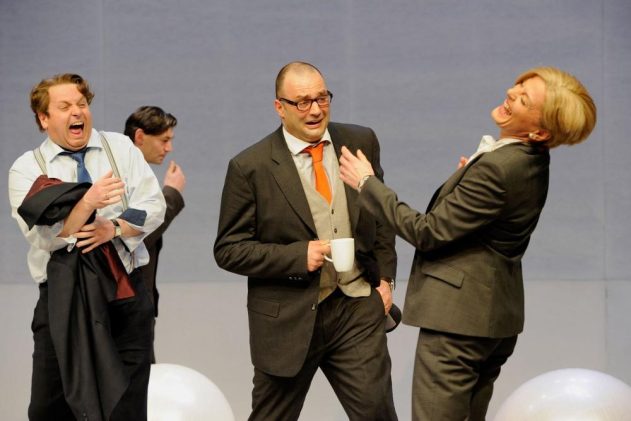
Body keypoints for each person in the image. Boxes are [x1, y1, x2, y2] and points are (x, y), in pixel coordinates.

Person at [339, 66, 597, 420]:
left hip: (458, 323)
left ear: (539, 131)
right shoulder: (531, 161)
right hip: (492, 318)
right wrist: (467, 180)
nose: (511, 93)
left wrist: (366, 183)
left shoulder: (500, 168)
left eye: (524, 99)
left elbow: (426, 232)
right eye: (519, 86)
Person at [214, 61, 398, 420]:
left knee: (377, 413)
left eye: (322, 98)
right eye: (302, 102)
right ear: (279, 107)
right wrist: (298, 256)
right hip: (288, 316)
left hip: (356, 306)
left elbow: (381, 215)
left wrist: (385, 281)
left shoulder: (360, 141)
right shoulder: (250, 166)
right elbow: (228, 249)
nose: (315, 110)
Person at [9, 73, 166, 420]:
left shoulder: (119, 148)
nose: (77, 112)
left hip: (125, 292)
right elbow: (44, 237)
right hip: (63, 300)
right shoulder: (26, 169)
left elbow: (153, 205)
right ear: (44, 118)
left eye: (82, 104)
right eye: (65, 106)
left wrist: (114, 227)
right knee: (50, 407)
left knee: (126, 406)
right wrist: (87, 202)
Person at [124, 106, 186, 361]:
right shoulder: (124, 176)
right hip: (127, 303)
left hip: (135, 302)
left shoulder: (136, 174)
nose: (169, 148)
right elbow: (137, 233)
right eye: (164, 140)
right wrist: (172, 193)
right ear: (140, 137)